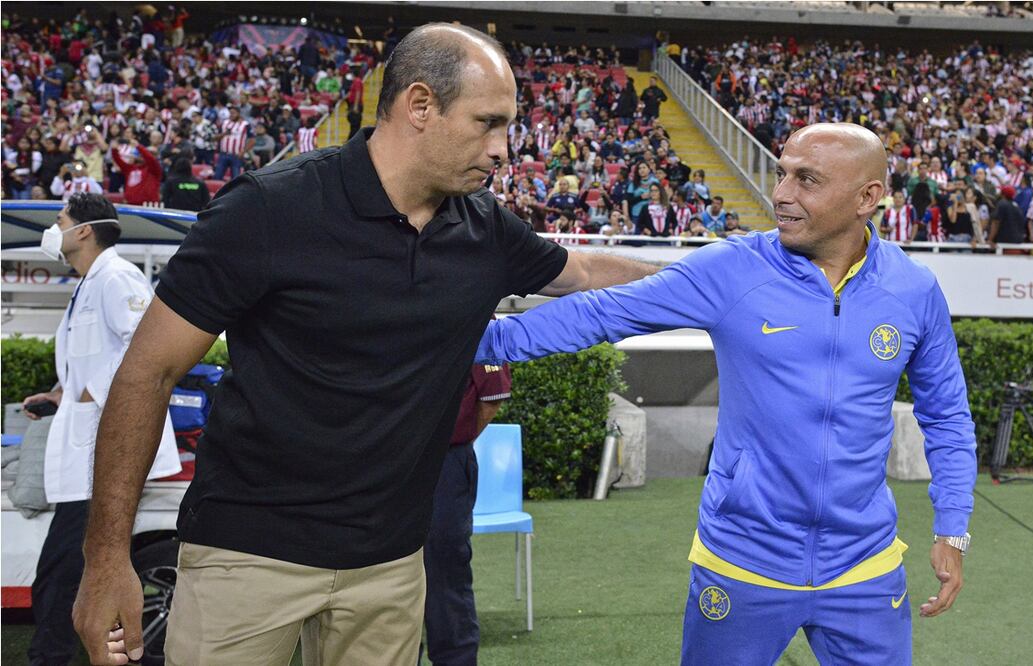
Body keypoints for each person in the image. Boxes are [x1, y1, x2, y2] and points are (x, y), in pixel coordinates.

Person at [72, 24, 659, 666]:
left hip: (391, 566)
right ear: (419, 106)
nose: (502, 150)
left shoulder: (484, 228)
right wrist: (106, 558)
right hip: (247, 556)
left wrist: (732, 272)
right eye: (487, 123)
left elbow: (588, 274)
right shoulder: (269, 210)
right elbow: (145, 374)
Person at [477, 123, 977, 666]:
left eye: (806, 180)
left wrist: (953, 527)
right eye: (782, 173)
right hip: (742, 559)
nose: (782, 193)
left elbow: (947, 414)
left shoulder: (913, 290)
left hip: (865, 566)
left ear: (868, 198)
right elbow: (604, 312)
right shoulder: (734, 269)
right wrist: (478, 343)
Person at [22, 193, 181, 666]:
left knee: (62, 572)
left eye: (59, 221)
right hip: (85, 446)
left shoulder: (117, 275)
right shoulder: (89, 281)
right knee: (69, 570)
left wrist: (92, 390)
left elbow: (147, 343)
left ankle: (48, 658)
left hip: (106, 448)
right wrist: (60, 392)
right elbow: (92, 354)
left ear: (84, 231)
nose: (54, 230)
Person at [422, 361, 511, 665]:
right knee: (383, 573)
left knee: (444, 573)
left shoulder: (470, 313)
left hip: (443, 463)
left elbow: (492, 397)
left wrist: (453, 440)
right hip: (386, 462)